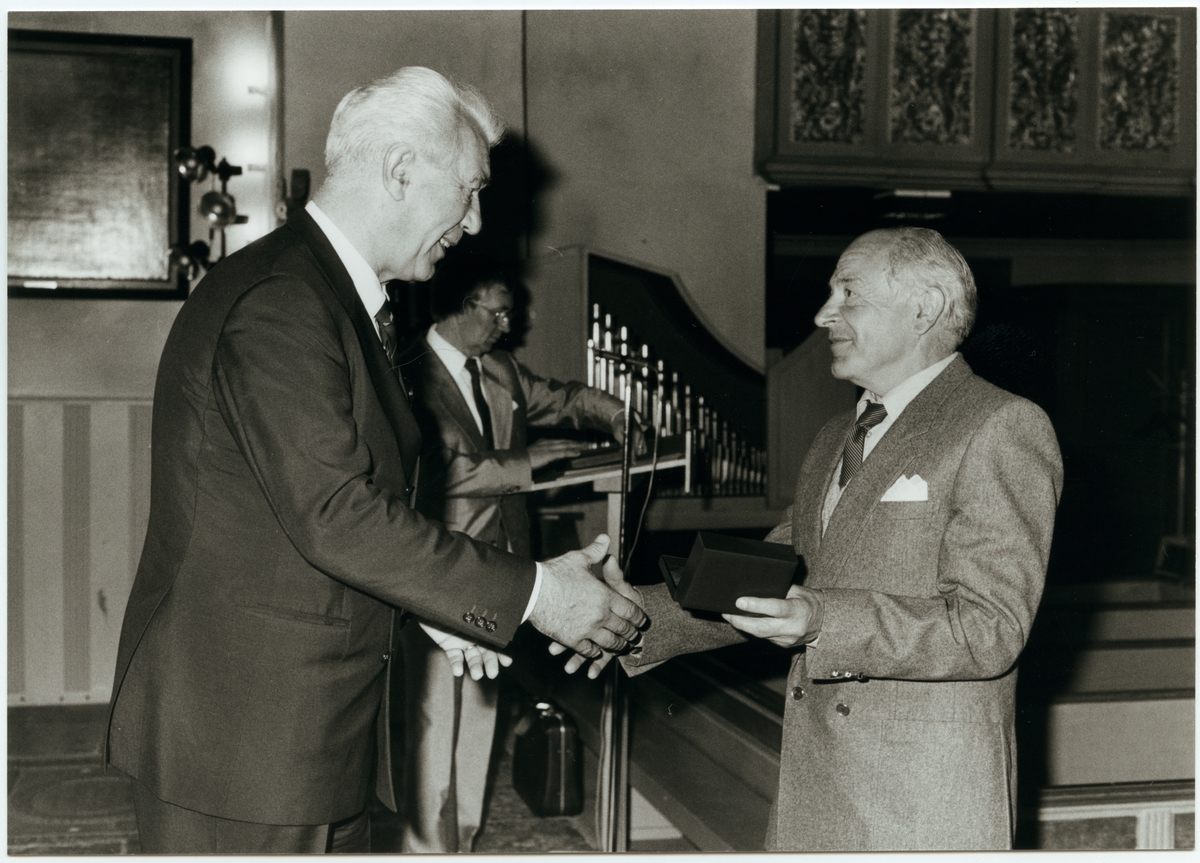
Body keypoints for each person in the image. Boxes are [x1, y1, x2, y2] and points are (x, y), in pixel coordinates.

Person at [104, 66, 645, 855]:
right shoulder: (285, 301)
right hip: (241, 737)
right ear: (399, 170)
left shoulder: (328, 293)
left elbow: (298, 513)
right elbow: (335, 512)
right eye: (467, 190)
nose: (474, 219)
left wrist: (435, 604)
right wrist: (537, 594)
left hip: (299, 727)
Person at [614, 227, 1063, 851]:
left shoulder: (999, 425)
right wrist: (627, 616)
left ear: (925, 308)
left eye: (849, 292)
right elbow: (767, 575)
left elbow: (989, 630)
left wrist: (821, 620)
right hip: (820, 783)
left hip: (921, 800)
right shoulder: (835, 436)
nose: (825, 313)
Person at [398, 253, 638, 852]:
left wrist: (616, 414)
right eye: (499, 312)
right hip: (439, 564)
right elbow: (438, 475)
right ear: (461, 306)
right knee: (432, 718)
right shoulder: (406, 371)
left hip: (505, 569)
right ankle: (424, 846)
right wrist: (527, 464)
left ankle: (467, 836)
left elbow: (561, 398)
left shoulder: (498, 370)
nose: (509, 325)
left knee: (481, 709)